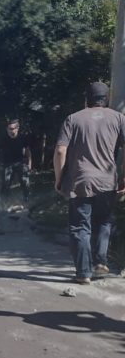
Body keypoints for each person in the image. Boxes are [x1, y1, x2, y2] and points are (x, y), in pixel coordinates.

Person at [54, 81, 125, 285]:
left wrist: (59, 179)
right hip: (107, 181)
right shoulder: (119, 118)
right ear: (107, 99)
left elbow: (60, 151)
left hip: (80, 181)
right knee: (104, 221)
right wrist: (123, 175)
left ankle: (84, 273)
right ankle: (100, 261)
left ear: (87, 99)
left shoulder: (73, 119)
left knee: (80, 227)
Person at [0, 119, 32, 205]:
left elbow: (28, 152)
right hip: (8, 164)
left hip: (20, 162)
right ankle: (3, 204)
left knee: (25, 182)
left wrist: (29, 164)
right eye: (9, 129)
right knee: (6, 183)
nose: (11, 131)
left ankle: (26, 201)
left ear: (17, 128)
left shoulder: (22, 138)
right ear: (7, 129)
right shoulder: (3, 139)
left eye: (13, 128)